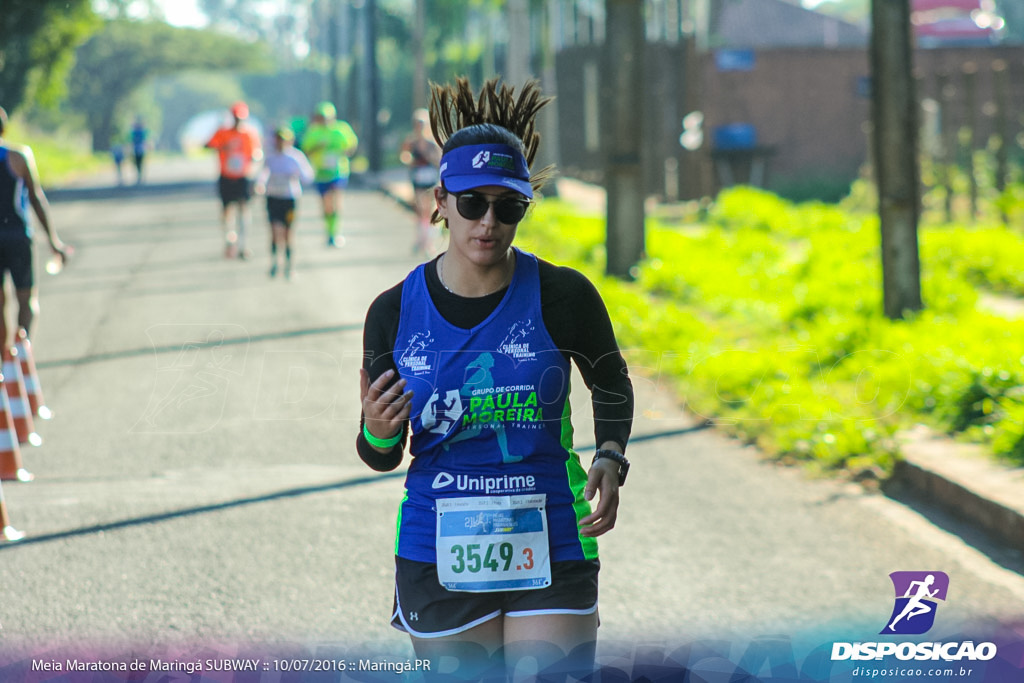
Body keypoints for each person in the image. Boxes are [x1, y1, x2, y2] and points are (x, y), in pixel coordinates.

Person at [357, 78, 634, 681]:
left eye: (508, 207)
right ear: (440, 199)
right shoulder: (393, 312)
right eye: (472, 203)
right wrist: (377, 432)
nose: (489, 222)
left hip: (555, 533)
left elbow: (611, 380)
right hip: (438, 545)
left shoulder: (564, 296)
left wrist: (612, 454)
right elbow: (380, 454)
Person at [0, 106, 70, 355]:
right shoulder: (18, 157)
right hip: (19, 236)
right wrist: (53, 241)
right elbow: (36, 199)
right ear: (4, 128)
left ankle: (4, 360)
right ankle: (23, 348)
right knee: (26, 299)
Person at [254, 127, 314, 280]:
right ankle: (274, 263)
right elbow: (263, 174)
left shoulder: (295, 157)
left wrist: (295, 175)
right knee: (274, 232)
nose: (280, 143)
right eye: (278, 139)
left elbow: (308, 176)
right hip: (273, 198)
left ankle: (289, 265)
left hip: (290, 198)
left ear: (289, 141)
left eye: (283, 140)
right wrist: (259, 185)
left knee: (288, 234)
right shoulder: (270, 157)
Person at [205, 101, 263, 259]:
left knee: (244, 209)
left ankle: (244, 244)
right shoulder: (222, 133)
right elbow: (207, 144)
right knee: (226, 210)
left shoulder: (249, 134)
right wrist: (223, 146)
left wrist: (254, 164)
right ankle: (230, 239)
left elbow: (257, 153)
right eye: (236, 118)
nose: (238, 122)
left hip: (243, 176)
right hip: (226, 175)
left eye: (241, 119)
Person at [302, 101, 358, 247]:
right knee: (326, 205)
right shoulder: (313, 131)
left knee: (336, 201)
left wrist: (343, 152)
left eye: (327, 117)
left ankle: (336, 232)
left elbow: (352, 145)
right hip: (321, 173)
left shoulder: (341, 129)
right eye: (321, 117)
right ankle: (329, 231)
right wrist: (318, 147)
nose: (325, 120)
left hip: (338, 171)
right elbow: (306, 151)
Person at [399, 108, 443, 256]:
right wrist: (408, 160)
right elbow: (404, 156)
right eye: (417, 123)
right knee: (420, 209)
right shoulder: (411, 142)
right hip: (417, 178)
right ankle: (420, 239)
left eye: (422, 123)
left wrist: (429, 156)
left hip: (430, 178)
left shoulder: (433, 143)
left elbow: (439, 161)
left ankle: (428, 242)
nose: (420, 126)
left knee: (429, 210)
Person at [130, 116, 149, 185]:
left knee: (139, 163)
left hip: (140, 149)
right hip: (138, 149)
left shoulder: (139, 131)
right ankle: (139, 175)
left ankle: (140, 175)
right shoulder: (136, 131)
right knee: (138, 163)